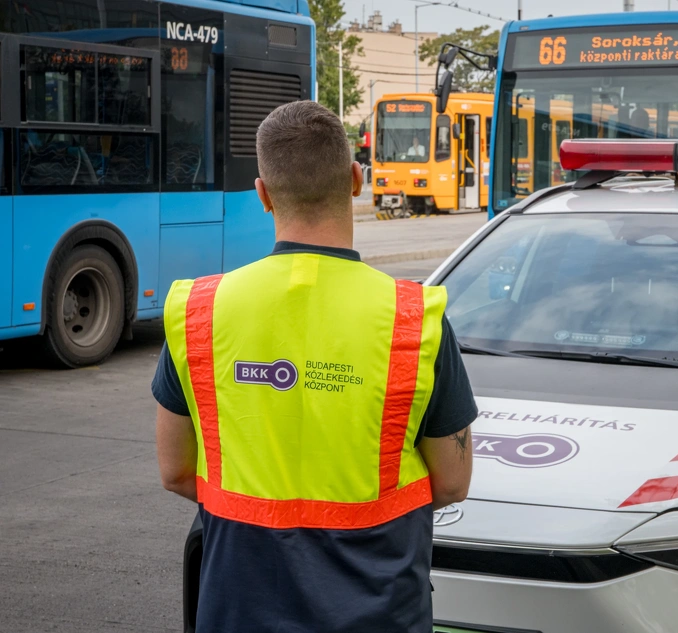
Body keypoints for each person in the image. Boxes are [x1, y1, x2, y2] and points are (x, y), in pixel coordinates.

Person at [152, 100, 477, 633]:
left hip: (238, 608)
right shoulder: (414, 320)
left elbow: (175, 470)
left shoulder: (199, 312)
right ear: (356, 179)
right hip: (380, 611)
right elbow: (452, 483)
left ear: (262, 194)